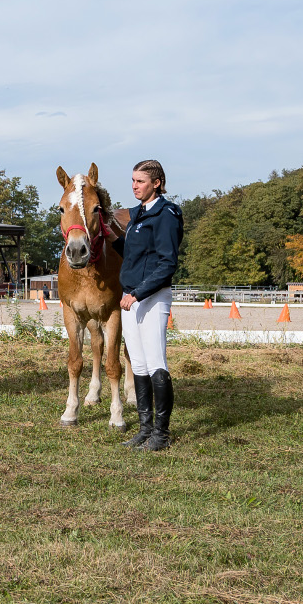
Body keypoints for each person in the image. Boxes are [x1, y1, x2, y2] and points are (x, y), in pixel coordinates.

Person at [112, 160, 184, 452]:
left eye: (140, 181)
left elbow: (167, 263)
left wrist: (139, 293)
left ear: (156, 183)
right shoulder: (138, 214)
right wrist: (111, 236)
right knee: (138, 364)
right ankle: (144, 429)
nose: (134, 186)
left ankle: (161, 434)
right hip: (131, 298)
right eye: (132, 180)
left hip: (151, 298)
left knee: (156, 364)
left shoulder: (165, 214)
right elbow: (133, 254)